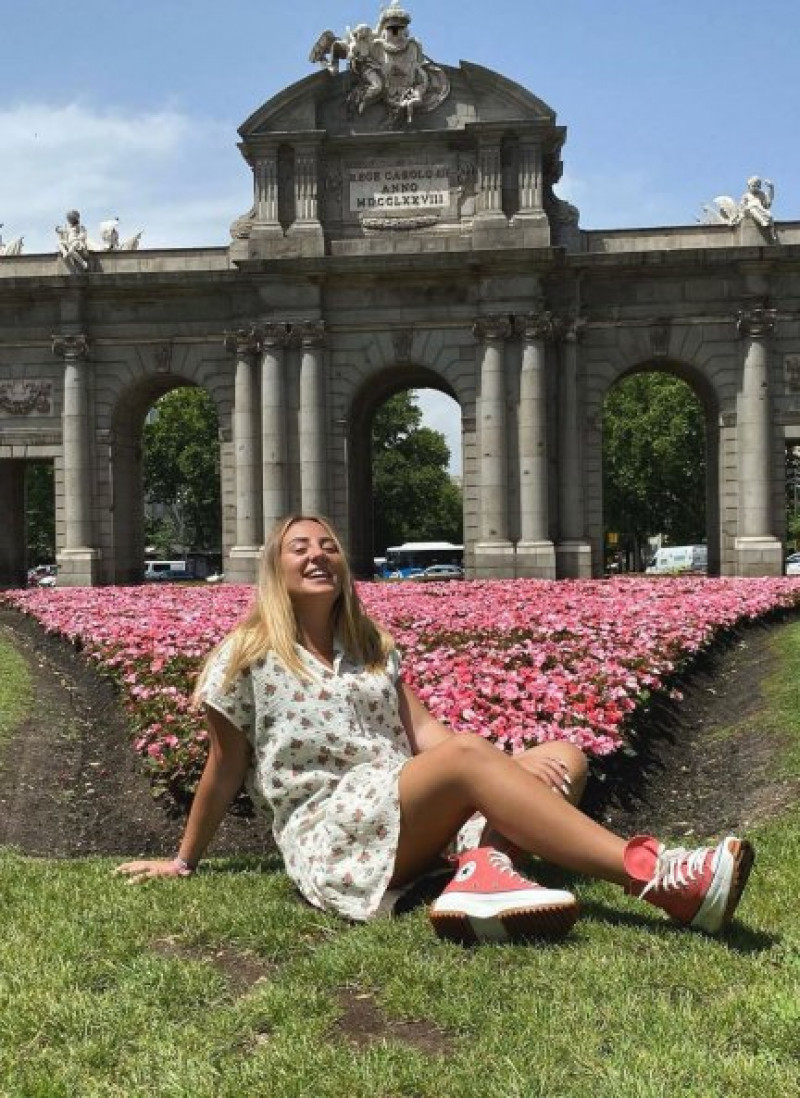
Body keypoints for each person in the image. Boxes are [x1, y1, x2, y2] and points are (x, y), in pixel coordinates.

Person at [116, 514, 754, 944]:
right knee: (478, 761)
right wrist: (182, 859)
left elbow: (428, 737)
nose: (318, 555)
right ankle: (658, 877)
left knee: (563, 754)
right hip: (333, 828)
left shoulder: (371, 647)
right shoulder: (244, 655)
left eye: (328, 546)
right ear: (274, 568)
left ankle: (482, 873)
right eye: (299, 548)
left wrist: (509, 774)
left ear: (342, 566)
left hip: (401, 799)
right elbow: (223, 767)